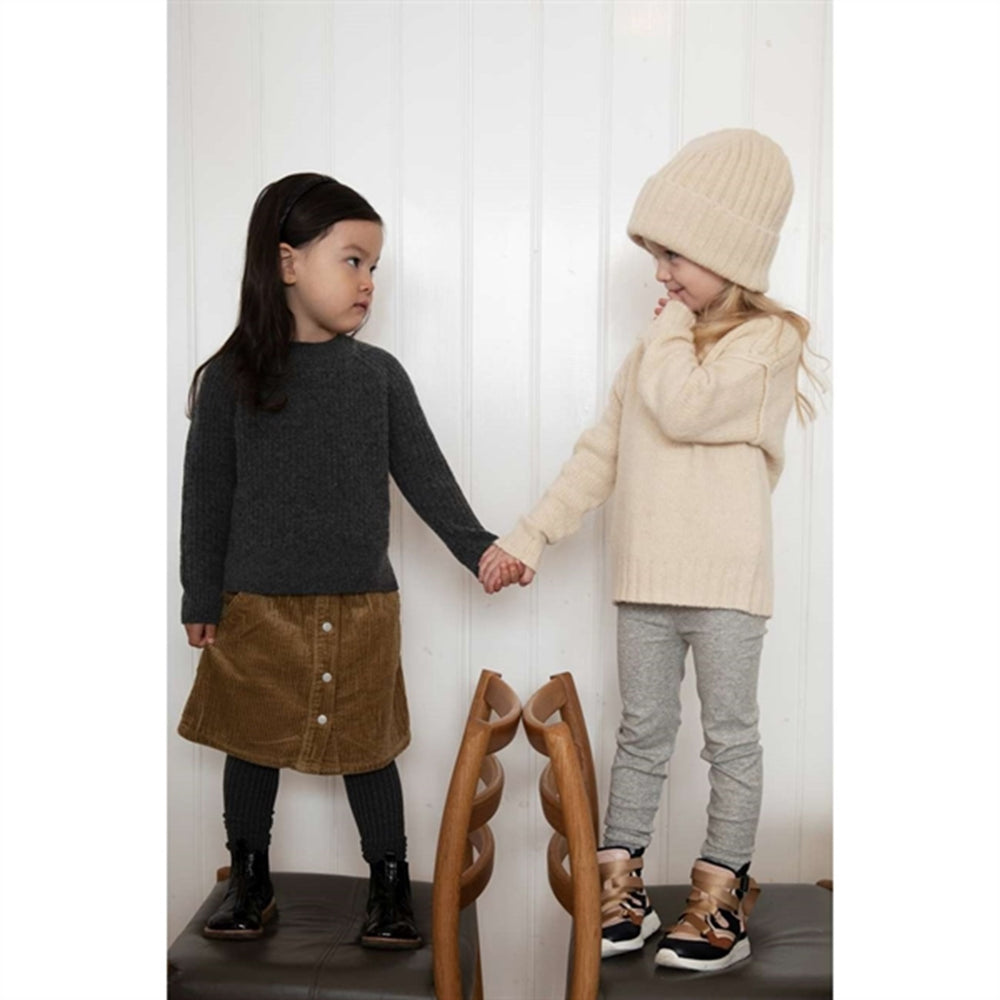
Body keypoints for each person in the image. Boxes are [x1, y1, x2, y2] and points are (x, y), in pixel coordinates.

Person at [479, 129, 823, 972]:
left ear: (725, 252)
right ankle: (620, 891)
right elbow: (601, 452)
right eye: (655, 258)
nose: (660, 275)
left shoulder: (767, 343)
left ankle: (721, 897)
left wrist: (668, 329)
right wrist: (529, 535)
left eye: (673, 255)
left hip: (727, 583)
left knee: (729, 739)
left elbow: (686, 407)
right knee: (642, 734)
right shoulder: (657, 347)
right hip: (645, 580)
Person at [178, 172, 520, 947]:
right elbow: (207, 497)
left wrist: (481, 551)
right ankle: (250, 881)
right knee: (250, 745)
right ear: (288, 263)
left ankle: (389, 888)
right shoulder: (231, 380)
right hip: (254, 607)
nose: (368, 282)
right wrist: (200, 596)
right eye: (353, 261)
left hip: (361, 605)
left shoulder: (378, 377)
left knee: (369, 750)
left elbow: (426, 477)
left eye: (375, 267)